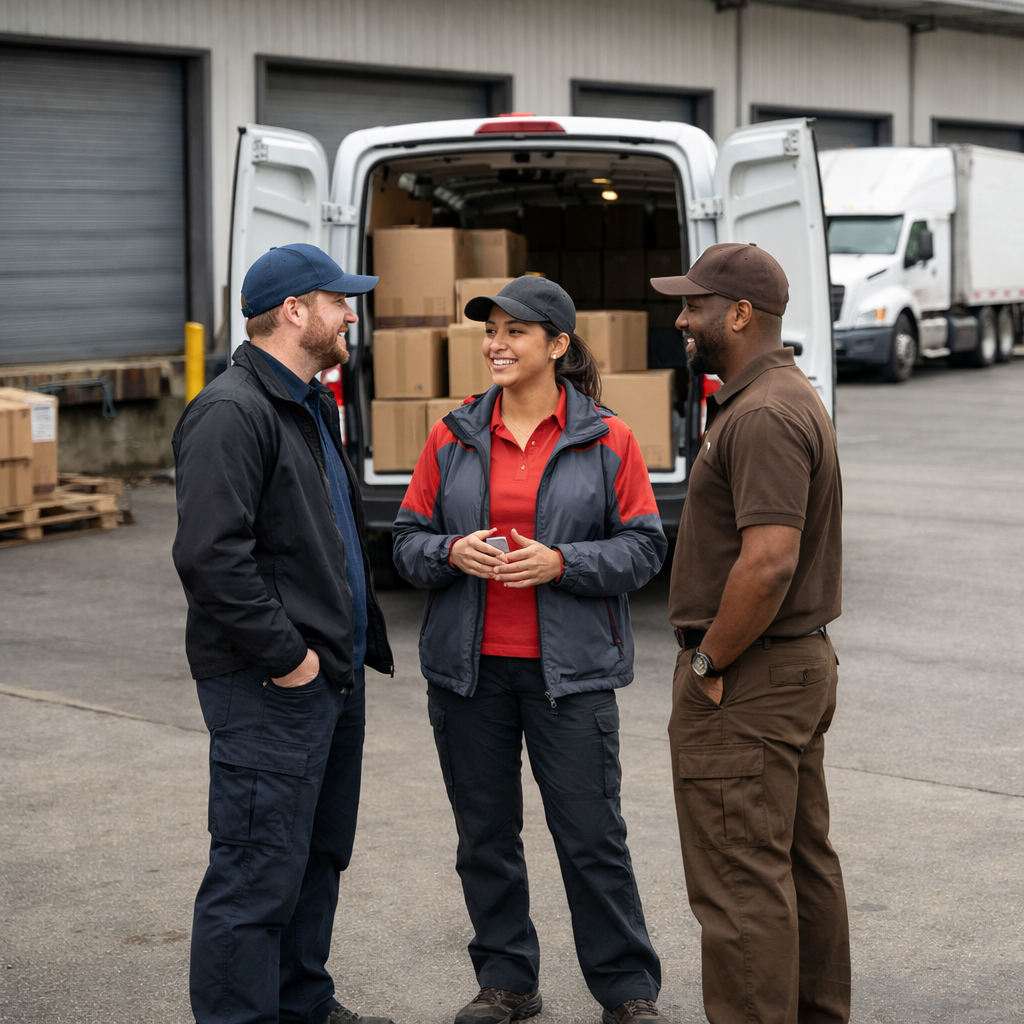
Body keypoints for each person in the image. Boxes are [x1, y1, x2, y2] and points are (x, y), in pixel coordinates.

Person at [392, 276, 669, 1024]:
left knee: (592, 837)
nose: (497, 345)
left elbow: (645, 549)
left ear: (557, 345)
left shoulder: (607, 437)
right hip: (468, 673)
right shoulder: (452, 434)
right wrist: (451, 551)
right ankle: (508, 980)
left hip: (570, 677)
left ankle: (628, 991)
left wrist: (563, 563)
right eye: (491, 332)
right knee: (485, 837)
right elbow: (404, 543)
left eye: (516, 332)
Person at [172, 243, 394, 1024]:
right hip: (272, 686)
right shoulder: (233, 411)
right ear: (295, 311)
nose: (350, 315)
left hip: (330, 679)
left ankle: (301, 1003)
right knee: (256, 870)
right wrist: (290, 659)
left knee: (316, 858)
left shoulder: (308, 403)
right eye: (339, 301)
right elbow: (210, 559)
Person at [651, 243, 850, 1024]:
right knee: (797, 867)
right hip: (787, 669)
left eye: (694, 305)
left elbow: (767, 563)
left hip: (750, 677)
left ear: (739, 314)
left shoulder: (764, 412)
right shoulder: (777, 396)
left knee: (740, 885)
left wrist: (707, 661)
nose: (681, 316)